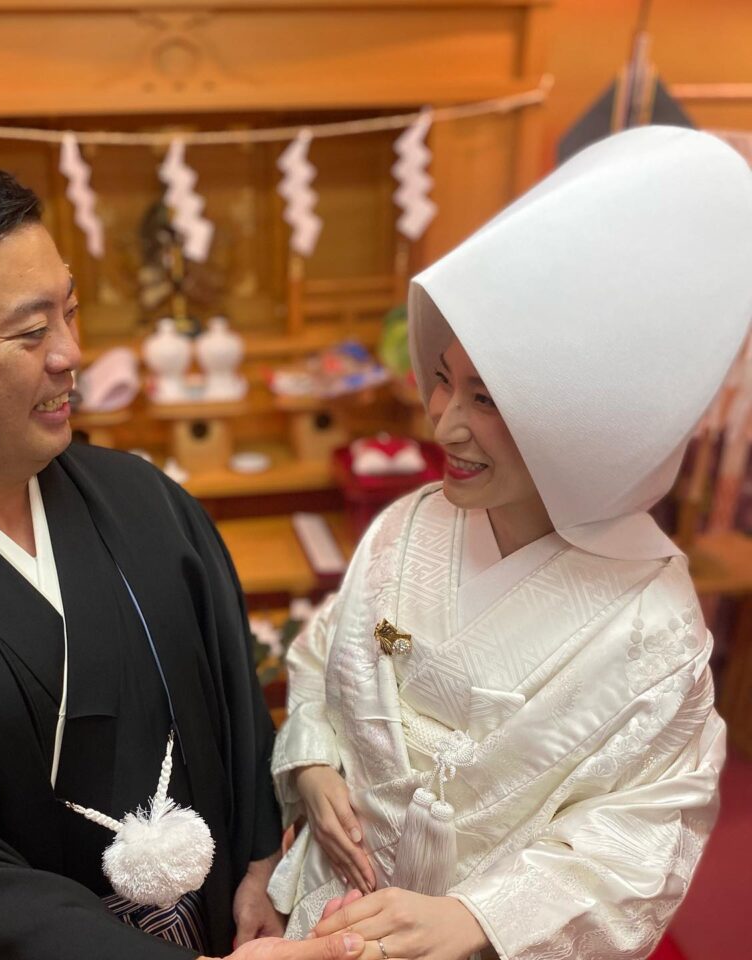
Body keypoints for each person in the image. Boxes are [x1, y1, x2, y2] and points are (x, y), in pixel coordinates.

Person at [0, 146, 367, 960]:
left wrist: (259, 858)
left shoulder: (143, 499)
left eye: (68, 309)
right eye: (30, 331)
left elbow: (234, 695)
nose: (70, 352)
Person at [267, 125, 752, 960]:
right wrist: (313, 763)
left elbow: (637, 840)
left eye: (489, 398)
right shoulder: (410, 525)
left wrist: (477, 919)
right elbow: (321, 659)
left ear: (581, 421)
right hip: (335, 914)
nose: (445, 422)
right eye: (444, 378)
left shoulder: (654, 627)